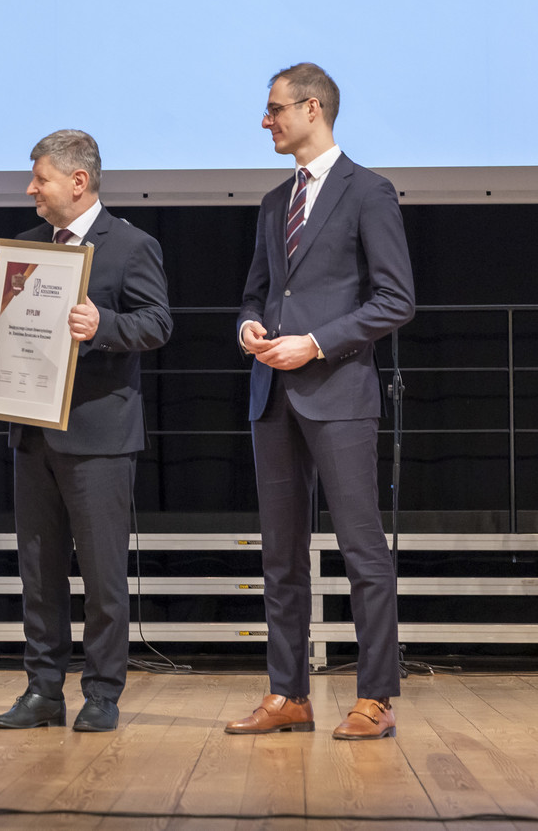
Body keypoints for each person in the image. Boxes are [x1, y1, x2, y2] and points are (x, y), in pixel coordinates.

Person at [224, 64, 415, 740]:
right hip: (273, 395)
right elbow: (256, 293)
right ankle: (289, 694)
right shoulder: (275, 200)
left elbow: (396, 299)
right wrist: (249, 326)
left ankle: (376, 698)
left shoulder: (369, 191)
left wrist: (314, 343)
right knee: (281, 556)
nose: (266, 120)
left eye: (275, 108)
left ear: (312, 109)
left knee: (363, 550)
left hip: (339, 393)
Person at [0, 130, 172, 733]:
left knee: (103, 577)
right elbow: (6, 333)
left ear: (78, 182)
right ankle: (43, 690)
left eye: (40, 179)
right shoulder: (26, 248)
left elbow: (157, 322)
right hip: (32, 434)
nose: (30, 189)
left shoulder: (131, 245)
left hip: (99, 437)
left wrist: (102, 324)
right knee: (39, 573)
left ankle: (102, 693)